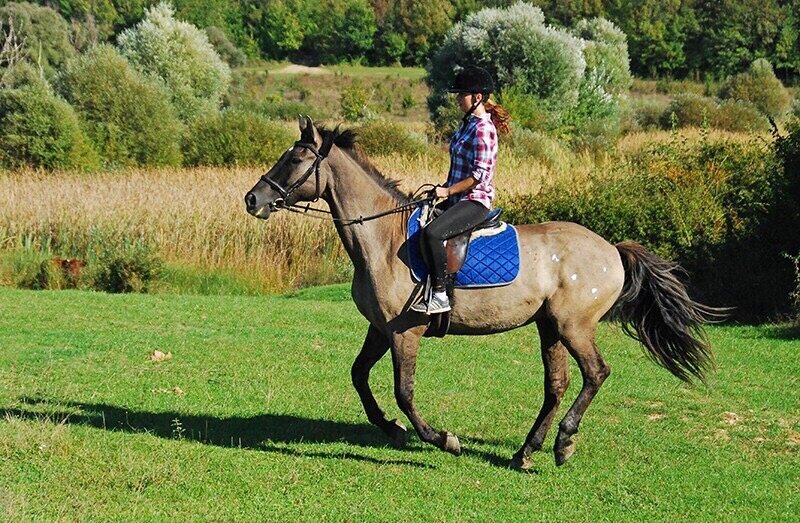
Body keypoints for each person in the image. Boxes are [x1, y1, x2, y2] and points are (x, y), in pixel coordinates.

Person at [411, 65, 511, 314]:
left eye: (461, 94)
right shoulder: (467, 125)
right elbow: (458, 167)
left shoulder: (484, 130)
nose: (457, 99)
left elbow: (478, 176)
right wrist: (442, 188)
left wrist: (447, 192)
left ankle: (441, 295)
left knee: (433, 234)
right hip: (456, 196)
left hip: (474, 201)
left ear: (477, 97)